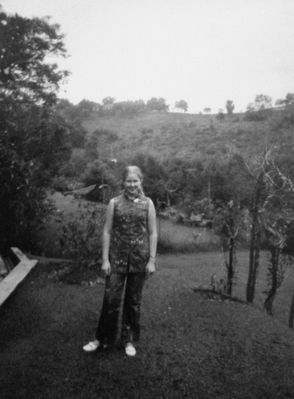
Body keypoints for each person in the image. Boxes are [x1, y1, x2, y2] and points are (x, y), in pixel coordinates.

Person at [83, 165, 158, 357]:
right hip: (116, 259)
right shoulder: (114, 203)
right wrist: (104, 259)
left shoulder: (148, 203)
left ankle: (128, 339)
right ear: (123, 182)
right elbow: (107, 231)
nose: (132, 184)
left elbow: (152, 232)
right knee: (111, 299)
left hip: (139, 260)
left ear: (140, 182)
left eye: (135, 180)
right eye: (128, 181)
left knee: (133, 301)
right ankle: (101, 339)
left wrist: (151, 260)